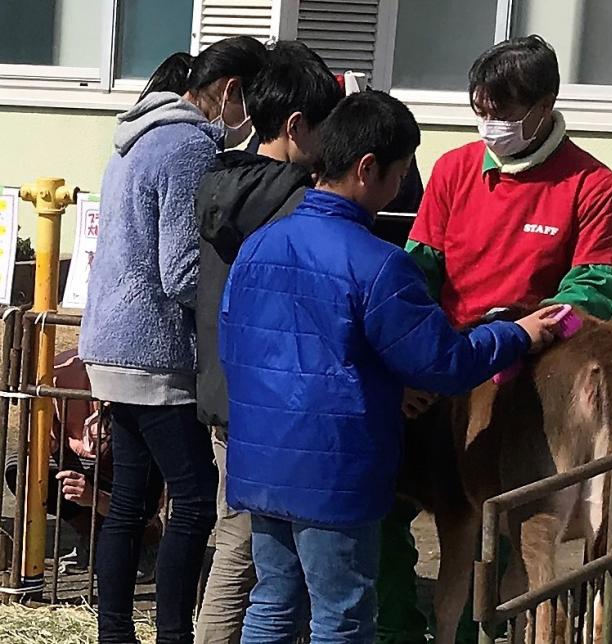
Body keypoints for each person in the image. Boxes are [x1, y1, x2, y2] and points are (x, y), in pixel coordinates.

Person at [219, 90, 563, 644]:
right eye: (401, 173)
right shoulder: (380, 264)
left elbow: (237, 343)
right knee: (345, 615)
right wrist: (515, 334)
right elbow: (444, 363)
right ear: (367, 168)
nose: (402, 187)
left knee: (274, 602)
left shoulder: (259, 245)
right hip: (335, 470)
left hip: (261, 457)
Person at [379, 35, 612, 644]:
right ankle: (397, 626)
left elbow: (592, 290)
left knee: (507, 525)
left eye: (506, 113)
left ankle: (474, 626)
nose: (492, 125)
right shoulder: (455, 169)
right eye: (481, 112)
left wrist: (523, 329)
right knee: (386, 505)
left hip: (523, 375)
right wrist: (409, 354)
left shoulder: (592, 184)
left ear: (545, 104)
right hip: (446, 362)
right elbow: (420, 268)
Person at [77, 36, 266, 644]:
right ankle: (173, 634)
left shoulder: (135, 138)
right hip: (156, 352)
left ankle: (113, 632)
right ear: (231, 90)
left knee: (130, 497)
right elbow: (183, 271)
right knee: (192, 500)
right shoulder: (188, 146)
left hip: (111, 342)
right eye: (252, 101)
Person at [194, 40, 342, 644]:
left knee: (243, 541)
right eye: (329, 127)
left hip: (224, 390)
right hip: (273, 396)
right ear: (296, 125)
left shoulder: (220, 179)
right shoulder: (295, 202)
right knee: (247, 551)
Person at [2, 350, 161, 579]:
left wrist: (94, 497)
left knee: (140, 496)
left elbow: (153, 500)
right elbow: (41, 440)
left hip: (124, 466)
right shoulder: (58, 373)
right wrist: (42, 443)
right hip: (78, 458)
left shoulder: (143, 380)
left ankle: (146, 541)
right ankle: (91, 533)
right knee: (21, 467)